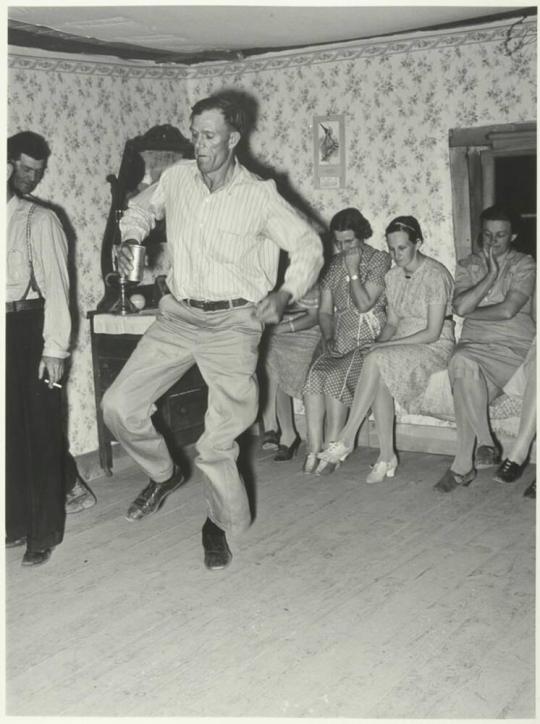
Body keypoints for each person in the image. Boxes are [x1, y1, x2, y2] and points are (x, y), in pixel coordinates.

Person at [101, 92, 323, 571]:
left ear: (233, 138)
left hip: (233, 325)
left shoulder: (260, 195)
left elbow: (308, 245)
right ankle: (164, 474)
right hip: (178, 316)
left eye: (208, 137)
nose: (198, 145)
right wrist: (133, 236)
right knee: (118, 406)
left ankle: (221, 525)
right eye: (195, 135)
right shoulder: (177, 178)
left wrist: (284, 295)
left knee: (216, 443)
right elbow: (137, 211)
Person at [6, 132, 95, 567]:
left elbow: (58, 291)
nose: (30, 179)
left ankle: (44, 532)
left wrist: (55, 348)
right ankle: (17, 522)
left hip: (31, 328)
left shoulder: (39, 220)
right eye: (24, 169)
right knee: (8, 432)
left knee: (40, 430)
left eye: (36, 172)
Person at [317, 215, 455, 483]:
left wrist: (386, 346)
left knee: (380, 358)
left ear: (419, 243)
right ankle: (386, 456)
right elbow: (392, 322)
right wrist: (379, 343)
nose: (396, 254)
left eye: (402, 248)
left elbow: (432, 332)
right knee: (377, 363)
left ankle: (346, 438)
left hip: (433, 346)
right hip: (403, 344)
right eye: (391, 249)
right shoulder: (392, 275)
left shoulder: (435, 274)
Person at [435, 205, 536, 492]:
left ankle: (462, 465)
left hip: (510, 349)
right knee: (460, 362)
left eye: (501, 235)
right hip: (473, 346)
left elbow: (508, 311)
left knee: (461, 370)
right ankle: (487, 443)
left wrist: (469, 310)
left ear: (513, 235)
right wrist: (490, 275)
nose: (492, 241)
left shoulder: (524, 264)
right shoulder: (468, 264)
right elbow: (460, 306)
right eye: (488, 234)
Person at [302, 208, 391, 474]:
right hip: (340, 338)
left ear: (362, 236)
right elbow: (325, 311)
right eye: (339, 242)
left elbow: (364, 304)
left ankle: (333, 449)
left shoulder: (379, 260)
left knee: (335, 378)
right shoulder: (333, 264)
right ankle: (313, 449)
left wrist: (353, 271)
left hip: (369, 339)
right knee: (316, 375)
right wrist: (328, 336)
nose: (343, 247)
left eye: (349, 241)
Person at [260, 283, 321, 461]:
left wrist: (281, 328)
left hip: (306, 332)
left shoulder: (305, 276)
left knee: (272, 355)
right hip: (276, 331)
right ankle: (278, 429)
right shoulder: (268, 276)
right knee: (267, 353)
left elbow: (314, 317)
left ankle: (276, 429)